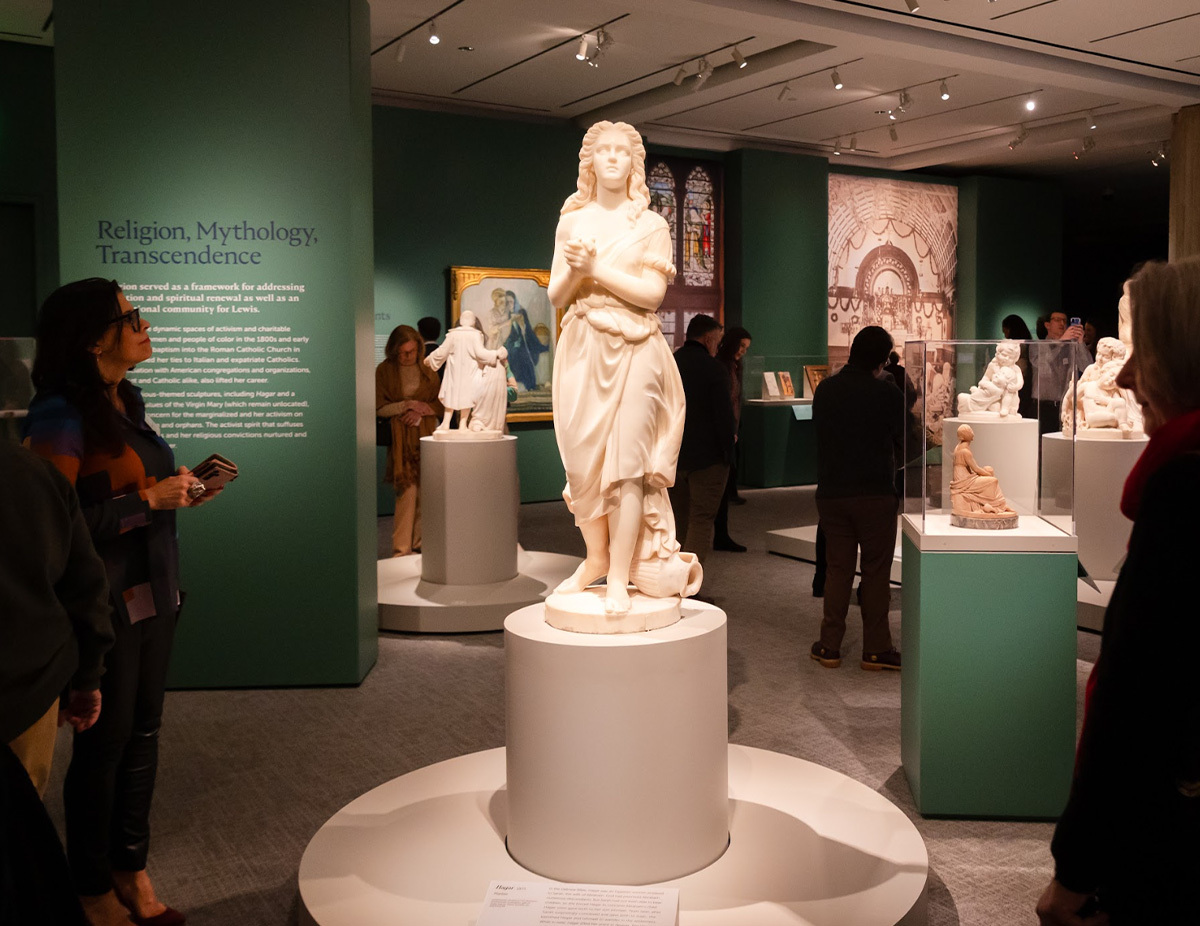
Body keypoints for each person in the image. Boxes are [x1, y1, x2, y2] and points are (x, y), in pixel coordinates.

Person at [24, 277, 219, 926]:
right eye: (129, 316)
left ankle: (129, 869)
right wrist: (146, 504)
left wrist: (175, 491)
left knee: (142, 736)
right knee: (104, 748)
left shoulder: (126, 400)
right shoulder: (59, 415)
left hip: (155, 594)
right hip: (103, 608)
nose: (144, 324)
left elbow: (125, 496)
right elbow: (50, 522)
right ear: (91, 339)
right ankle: (91, 889)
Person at [1037, 256, 1200, 925]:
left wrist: (1074, 868)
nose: (1125, 376)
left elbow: (1137, 697)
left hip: (1170, 830)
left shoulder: (1184, 487)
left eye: (1145, 355)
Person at [549, 120, 699, 615]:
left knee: (627, 467)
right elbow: (555, 295)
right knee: (581, 463)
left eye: (621, 152)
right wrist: (575, 269)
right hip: (582, 347)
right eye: (603, 151)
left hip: (636, 349)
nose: (612, 158)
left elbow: (652, 296)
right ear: (589, 161)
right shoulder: (571, 220)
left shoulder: (651, 225)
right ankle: (594, 558)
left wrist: (595, 270)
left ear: (633, 163)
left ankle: (618, 574)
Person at [2, 439, 114, 794]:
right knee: (20, 821)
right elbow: (85, 585)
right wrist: (87, 677)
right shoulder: (35, 472)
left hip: (27, 685)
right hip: (25, 691)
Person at [810, 326, 903, 671]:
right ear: (882, 361)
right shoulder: (887, 394)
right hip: (876, 493)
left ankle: (829, 646)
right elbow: (903, 439)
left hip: (832, 493)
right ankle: (876, 649)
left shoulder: (825, 390)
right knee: (876, 573)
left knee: (838, 569)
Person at [670, 315, 736, 569]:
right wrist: (728, 453)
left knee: (678, 521)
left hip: (674, 456)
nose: (718, 347)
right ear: (708, 338)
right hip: (708, 459)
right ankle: (690, 586)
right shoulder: (714, 369)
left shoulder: (671, 364)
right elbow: (723, 414)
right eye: (717, 342)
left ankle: (672, 580)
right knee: (701, 520)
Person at [376, 325, 442, 557]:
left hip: (425, 435)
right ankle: (401, 549)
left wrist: (422, 410)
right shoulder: (384, 372)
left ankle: (420, 542)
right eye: (402, 353)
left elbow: (439, 403)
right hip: (400, 440)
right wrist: (406, 406)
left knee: (426, 492)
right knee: (406, 492)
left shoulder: (427, 371)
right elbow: (379, 408)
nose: (407, 357)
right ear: (393, 351)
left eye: (411, 352)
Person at [712, 325, 751, 551]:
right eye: (742, 346)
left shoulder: (734, 367)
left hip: (731, 429)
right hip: (724, 432)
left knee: (725, 485)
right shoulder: (723, 367)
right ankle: (720, 534)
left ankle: (722, 533)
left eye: (746, 348)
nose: (743, 351)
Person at [1034, 310, 1086, 433]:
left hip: (1065, 406)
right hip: (1042, 407)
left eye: (1064, 320)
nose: (1062, 323)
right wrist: (1061, 342)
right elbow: (1043, 366)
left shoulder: (1071, 347)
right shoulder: (1037, 345)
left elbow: (1087, 366)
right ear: (1047, 325)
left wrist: (1080, 343)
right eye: (1057, 320)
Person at [503, 296, 548, 392]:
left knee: (523, 355)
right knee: (512, 353)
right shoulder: (505, 316)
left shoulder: (521, 312)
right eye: (507, 302)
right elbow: (505, 335)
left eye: (511, 302)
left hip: (523, 344)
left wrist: (522, 326)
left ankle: (528, 384)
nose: (509, 305)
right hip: (509, 345)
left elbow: (527, 331)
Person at [1000, 314, 1037, 418]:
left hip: (1021, 384)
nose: (1005, 334)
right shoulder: (1025, 345)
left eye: (1006, 331)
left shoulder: (1022, 348)